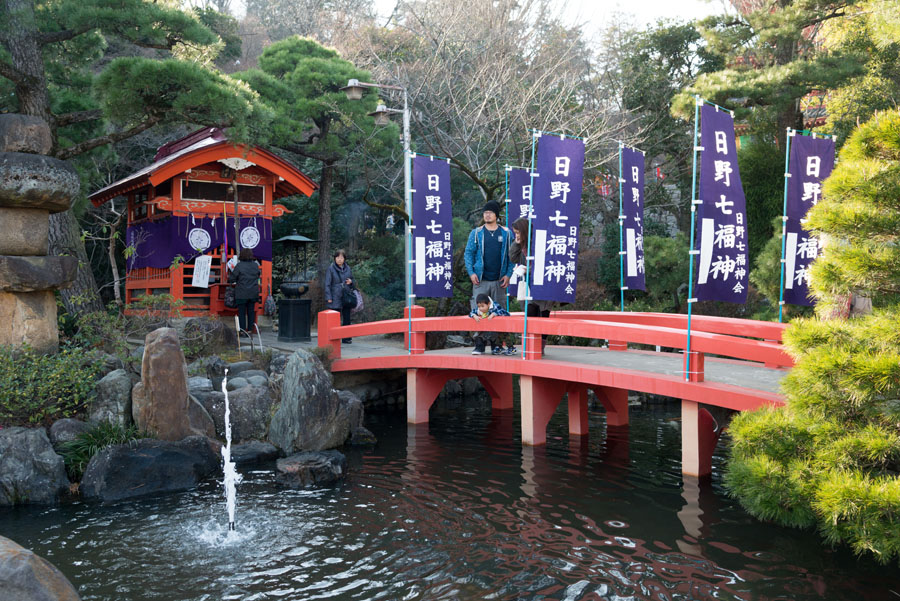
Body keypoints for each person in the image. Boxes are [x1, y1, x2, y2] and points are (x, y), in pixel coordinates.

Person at [509, 217, 554, 350]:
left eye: (518, 232)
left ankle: (541, 346)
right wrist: (516, 243)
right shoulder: (521, 244)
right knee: (530, 312)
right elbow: (512, 258)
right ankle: (532, 346)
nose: (517, 235)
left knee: (544, 314)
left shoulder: (538, 240)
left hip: (542, 283)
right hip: (528, 283)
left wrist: (530, 269)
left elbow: (545, 261)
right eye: (515, 233)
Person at [464, 200, 514, 312]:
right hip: (480, 280)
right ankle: (478, 330)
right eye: (485, 212)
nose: (487, 215)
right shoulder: (476, 233)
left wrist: (508, 274)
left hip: (499, 281)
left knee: (499, 313)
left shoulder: (506, 233)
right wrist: (471, 273)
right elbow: (468, 253)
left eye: (490, 212)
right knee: (479, 312)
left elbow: (512, 255)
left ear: (496, 215)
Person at [324, 249, 355, 344]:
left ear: (344, 259)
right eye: (337, 257)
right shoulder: (331, 268)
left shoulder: (348, 268)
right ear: (335, 258)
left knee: (347, 317)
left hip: (346, 295)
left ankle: (346, 338)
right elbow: (327, 284)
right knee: (335, 318)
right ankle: (335, 338)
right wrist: (328, 297)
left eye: (341, 257)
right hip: (335, 296)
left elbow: (353, 280)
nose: (339, 259)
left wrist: (351, 282)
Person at [228, 248, 261, 333]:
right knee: (251, 311)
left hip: (242, 292)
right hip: (253, 292)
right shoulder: (255, 265)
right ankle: (250, 330)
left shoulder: (239, 265)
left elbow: (232, 278)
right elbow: (258, 275)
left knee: (241, 313)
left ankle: (242, 331)